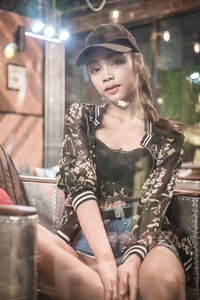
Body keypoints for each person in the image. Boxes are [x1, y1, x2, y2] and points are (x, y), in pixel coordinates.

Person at [40, 24, 193, 300]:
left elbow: (152, 205)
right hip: (87, 235)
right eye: (95, 69)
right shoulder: (81, 118)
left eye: (116, 61)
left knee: (164, 282)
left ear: (138, 61)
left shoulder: (168, 136)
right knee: (29, 240)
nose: (106, 76)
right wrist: (107, 261)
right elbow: (81, 190)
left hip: (148, 240)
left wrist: (132, 259)